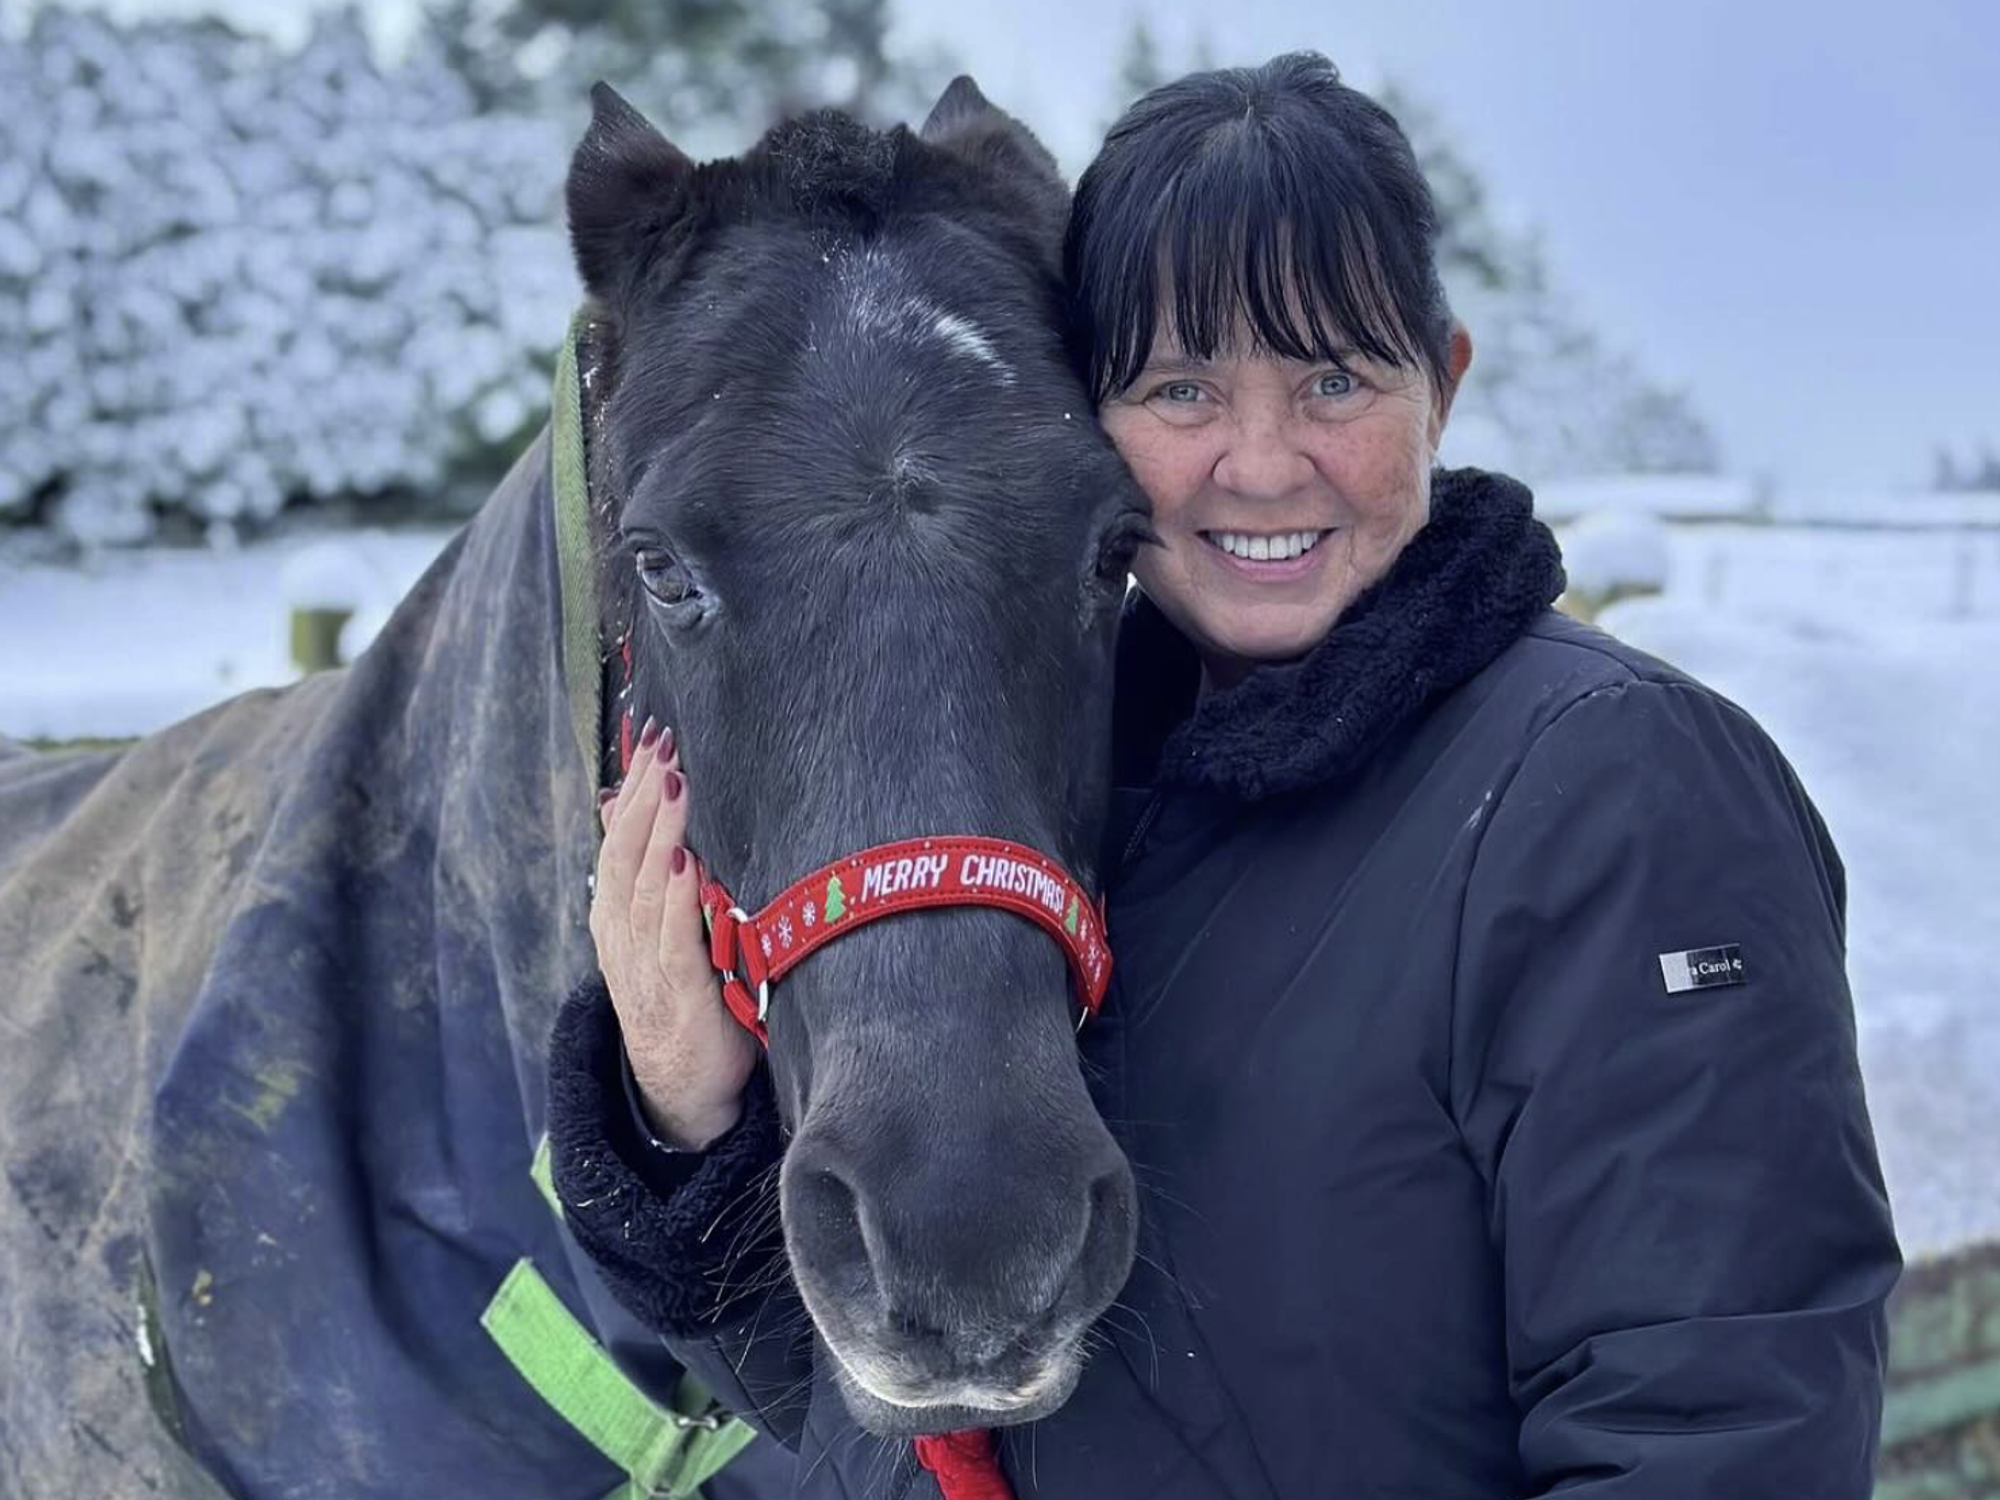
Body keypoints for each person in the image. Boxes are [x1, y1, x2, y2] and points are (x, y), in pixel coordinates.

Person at [548, 52, 1901, 1498]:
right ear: (1099, 417)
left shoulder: (1615, 790)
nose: (1262, 467)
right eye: (1183, 387)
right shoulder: (1082, 796)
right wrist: (697, 1129)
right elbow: (928, 1437)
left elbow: (1714, 1433)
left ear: (1441, 387)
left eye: (1335, 378)